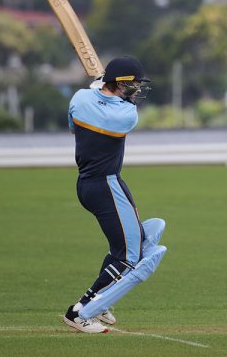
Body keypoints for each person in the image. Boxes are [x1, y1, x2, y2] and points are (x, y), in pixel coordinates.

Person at [63, 56, 167, 333]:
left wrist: (99, 91)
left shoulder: (80, 97)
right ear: (119, 84)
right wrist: (107, 95)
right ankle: (81, 311)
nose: (137, 90)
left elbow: (75, 125)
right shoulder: (126, 115)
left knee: (124, 246)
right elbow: (112, 115)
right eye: (133, 84)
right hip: (106, 185)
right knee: (129, 257)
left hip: (90, 184)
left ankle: (102, 299)